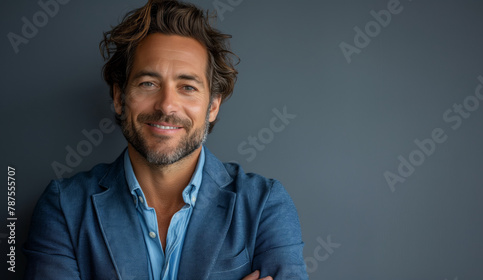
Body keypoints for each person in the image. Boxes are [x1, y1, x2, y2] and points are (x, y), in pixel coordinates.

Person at [24, 0, 308, 279]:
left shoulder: (264, 205)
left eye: (187, 87)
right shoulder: (64, 206)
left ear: (212, 106)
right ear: (119, 97)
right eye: (148, 84)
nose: (166, 106)